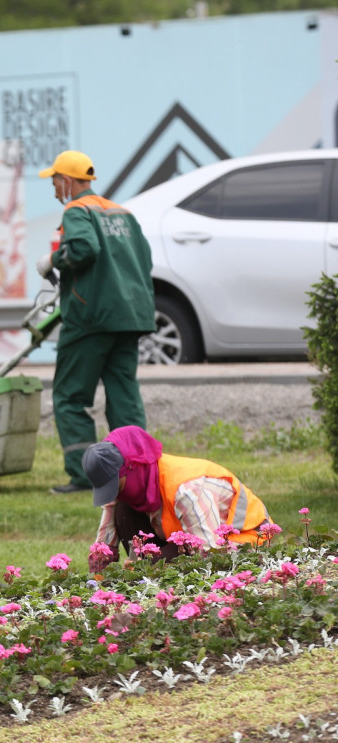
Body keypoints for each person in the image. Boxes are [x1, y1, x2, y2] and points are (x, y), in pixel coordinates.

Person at [36, 150, 156, 495]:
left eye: (56, 181)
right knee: (124, 394)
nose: (55, 188)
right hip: (129, 317)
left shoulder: (76, 209)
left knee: (71, 396)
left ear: (68, 181)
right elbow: (144, 258)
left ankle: (86, 475)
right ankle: (137, 469)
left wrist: (53, 260)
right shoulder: (122, 212)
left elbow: (83, 249)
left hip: (90, 318)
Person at [82, 425, 274, 573]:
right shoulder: (127, 483)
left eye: (116, 486)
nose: (113, 495)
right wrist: (99, 585)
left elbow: (209, 556)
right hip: (184, 540)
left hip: (238, 542)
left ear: (132, 467)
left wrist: (142, 570)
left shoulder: (186, 490)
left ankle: (147, 579)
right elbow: (104, 547)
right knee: (124, 511)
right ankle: (144, 576)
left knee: (147, 570)